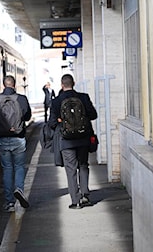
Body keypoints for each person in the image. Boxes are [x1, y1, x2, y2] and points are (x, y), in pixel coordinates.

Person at [47, 74, 98, 209]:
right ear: (74, 83)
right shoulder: (83, 97)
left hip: (66, 141)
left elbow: (51, 123)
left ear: (62, 85)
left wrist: (61, 121)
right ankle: (85, 195)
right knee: (83, 165)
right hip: (83, 139)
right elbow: (94, 115)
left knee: (71, 170)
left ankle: (75, 201)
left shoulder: (57, 101)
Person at [0, 75, 32, 212]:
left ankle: (9, 203)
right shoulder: (21, 99)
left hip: (2, 139)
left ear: (3, 85)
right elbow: (28, 116)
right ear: (15, 84)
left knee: (7, 169)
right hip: (18, 138)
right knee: (19, 167)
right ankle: (19, 189)